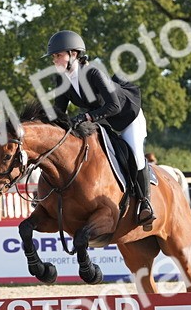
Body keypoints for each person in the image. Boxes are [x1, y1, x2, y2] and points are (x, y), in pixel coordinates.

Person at [46, 30, 154, 227]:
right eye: (54, 56)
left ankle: (145, 203)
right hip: (102, 120)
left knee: (136, 155)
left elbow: (114, 106)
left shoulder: (93, 73)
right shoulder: (62, 81)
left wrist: (87, 116)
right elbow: (58, 114)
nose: (55, 60)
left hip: (127, 117)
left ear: (74, 54)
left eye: (58, 55)